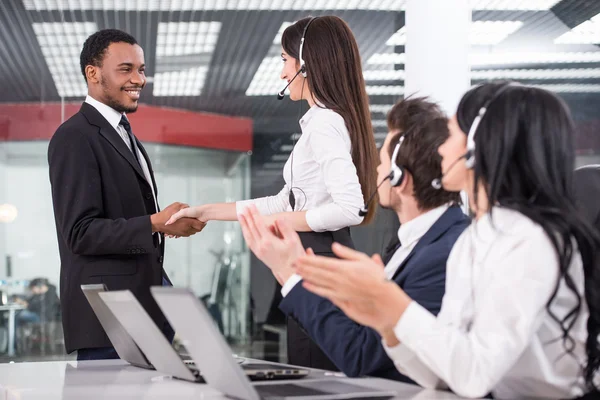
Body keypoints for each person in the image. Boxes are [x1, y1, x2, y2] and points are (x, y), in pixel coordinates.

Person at [295, 82, 600, 399]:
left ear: (476, 146)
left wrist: (392, 303)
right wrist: (386, 323)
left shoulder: (529, 240)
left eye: (452, 134)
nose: (441, 147)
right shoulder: (476, 237)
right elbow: (441, 375)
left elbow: (475, 374)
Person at [166, 16, 379, 370]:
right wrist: (206, 212)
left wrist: (283, 220)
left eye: (284, 60)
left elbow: (350, 207)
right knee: (311, 370)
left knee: (315, 377)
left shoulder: (326, 123)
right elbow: (284, 201)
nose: (282, 73)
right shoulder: (321, 122)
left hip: (320, 261)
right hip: (313, 259)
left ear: (306, 64)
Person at [238, 96, 470, 381]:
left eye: (383, 162)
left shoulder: (444, 254)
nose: (377, 171)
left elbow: (362, 354)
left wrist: (288, 270)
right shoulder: (413, 244)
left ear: (400, 178)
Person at [48, 29, 206, 361]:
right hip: (109, 319)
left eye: (142, 69)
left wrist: (163, 225)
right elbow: (80, 233)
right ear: (93, 73)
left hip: (141, 311)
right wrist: (153, 222)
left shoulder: (123, 133)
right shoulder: (74, 137)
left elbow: (126, 218)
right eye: (126, 69)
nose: (139, 79)